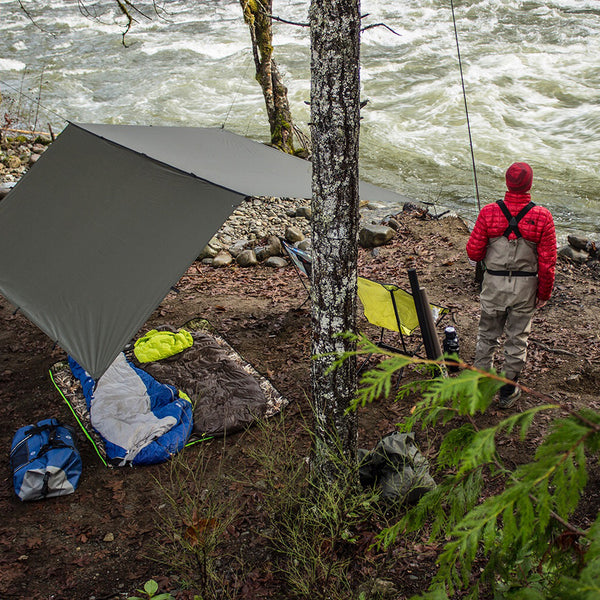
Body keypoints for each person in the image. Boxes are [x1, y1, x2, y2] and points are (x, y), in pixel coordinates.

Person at [466, 162, 556, 408]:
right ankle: (507, 391)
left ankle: (482, 387)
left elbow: (473, 253)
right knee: (517, 339)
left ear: (507, 182)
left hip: (494, 284)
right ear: (529, 184)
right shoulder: (542, 216)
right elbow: (548, 263)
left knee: (487, 335)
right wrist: (544, 293)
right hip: (525, 288)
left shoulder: (488, 212)